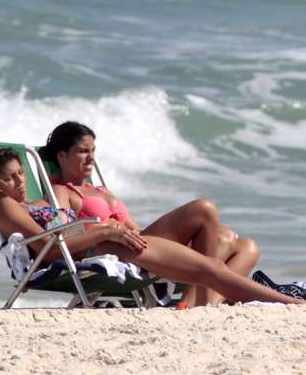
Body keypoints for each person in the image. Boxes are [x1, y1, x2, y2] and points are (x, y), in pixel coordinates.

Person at [0, 147, 304, 306]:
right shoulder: (5, 207)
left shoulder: (34, 203)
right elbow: (46, 246)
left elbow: (67, 232)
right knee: (209, 268)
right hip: (93, 250)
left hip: (106, 244)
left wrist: (107, 230)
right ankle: (291, 305)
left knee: (210, 267)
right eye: (11, 177)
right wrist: (106, 231)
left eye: (22, 173)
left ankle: (277, 302)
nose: (21, 182)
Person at [39, 121, 264, 308]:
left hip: (138, 240)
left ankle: (196, 304)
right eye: (82, 151)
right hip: (119, 249)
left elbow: (134, 227)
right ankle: (202, 304)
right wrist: (105, 232)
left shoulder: (102, 191)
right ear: (62, 156)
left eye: (93, 151)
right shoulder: (62, 191)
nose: (90, 158)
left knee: (243, 245)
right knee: (203, 209)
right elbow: (62, 234)